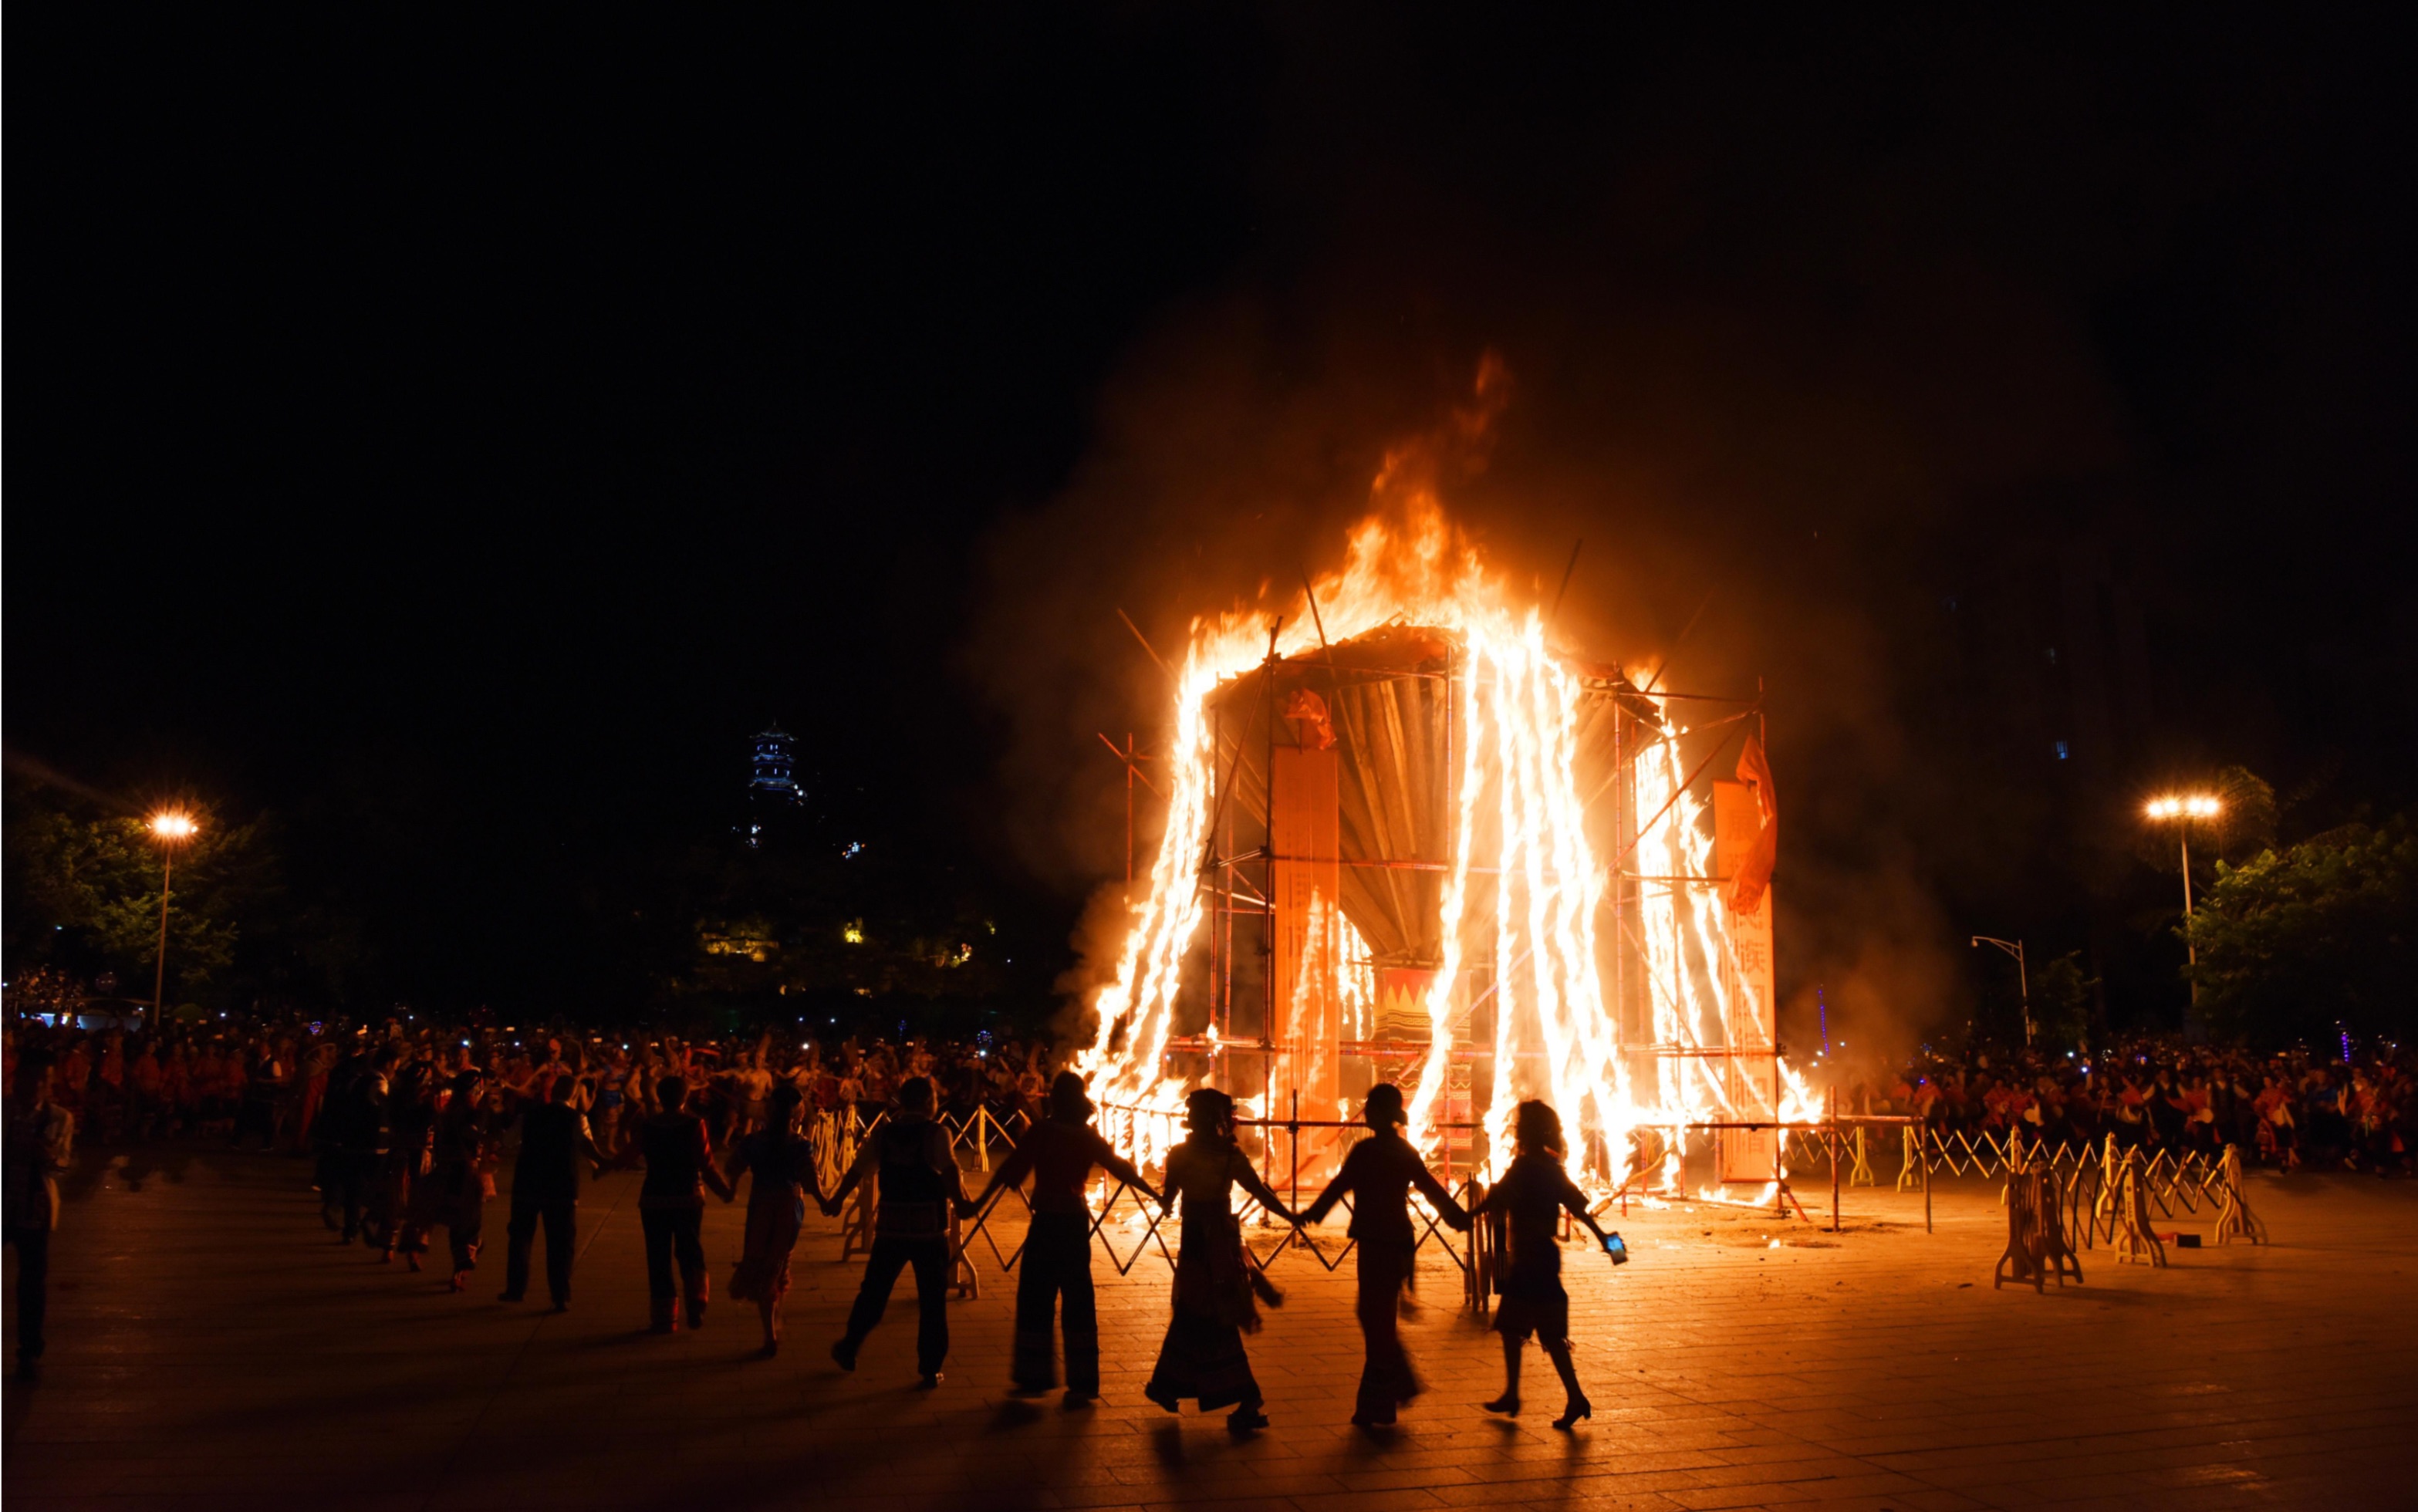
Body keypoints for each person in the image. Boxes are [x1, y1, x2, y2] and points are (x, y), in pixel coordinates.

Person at [963, 1071, 1159, 1404]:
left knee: (1036, 1297)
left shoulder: (1044, 1131)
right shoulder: (1087, 1135)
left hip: (1048, 1223)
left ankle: (1034, 1376)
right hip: (1075, 1223)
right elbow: (1120, 1166)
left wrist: (977, 1205)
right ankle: (1083, 1383)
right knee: (1078, 1298)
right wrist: (1156, 1194)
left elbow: (1011, 1168)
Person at [1300, 1082, 1471, 1426]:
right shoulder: (1404, 1152)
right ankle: (1381, 1403)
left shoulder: (1365, 1152)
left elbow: (1338, 1186)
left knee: (1373, 1316)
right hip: (1398, 1239)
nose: (1366, 1112)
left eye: (1370, 1106)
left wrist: (1310, 1214)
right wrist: (1457, 1218)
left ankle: (1394, 1390)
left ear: (1379, 1113)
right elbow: (1431, 1189)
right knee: (1379, 1317)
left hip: (1376, 1242)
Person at [1143, 1087, 1298, 1433]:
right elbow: (1261, 1192)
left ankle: (1238, 1397)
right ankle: (1171, 1388)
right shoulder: (1231, 1157)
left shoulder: (1180, 1155)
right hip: (1223, 1244)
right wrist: (1290, 1215)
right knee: (1206, 1314)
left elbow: (1168, 1200)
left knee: (1202, 1315)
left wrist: (1162, 1199)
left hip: (1198, 1243)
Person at [1474, 1100, 1619, 1430]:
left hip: (1529, 1259)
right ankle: (1562, 1396)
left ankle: (1541, 1395)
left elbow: (1494, 1201)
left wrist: (1462, 1217)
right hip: (1544, 1257)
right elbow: (1581, 1210)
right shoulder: (1553, 1169)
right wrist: (1608, 1243)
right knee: (1535, 1332)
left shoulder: (1524, 1167)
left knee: (1521, 1329)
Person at [825, 1075, 969, 1386]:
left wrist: (836, 1199)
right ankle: (930, 1368)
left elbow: (858, 1169)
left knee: (874, 1293)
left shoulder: (885, 1133)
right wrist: (962, 1202)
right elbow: (950, 1168)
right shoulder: (937, 1132)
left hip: (890, 1229)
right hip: (929, 1230)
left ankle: (850, 1345)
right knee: (932, 1300)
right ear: (930, 1102)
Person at [723, 1081, 821, 1355]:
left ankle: (770, 1333)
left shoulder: (754, 1142)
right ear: (798, 1115)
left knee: (761, 1262)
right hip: (789, 1209)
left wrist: (730, 1191)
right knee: (779, 1265)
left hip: (761, 1207)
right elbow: (811, 1180)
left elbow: (733, 1167)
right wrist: (826, 1202)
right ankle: (773, 1325)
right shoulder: (801, 1145)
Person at [632, 1074, 734, 1333]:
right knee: (690, 1250)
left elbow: (631, 1153)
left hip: (653, 1197)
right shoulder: (693, 1124)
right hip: (687, 1197)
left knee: (658, 1257)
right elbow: (706, 1164)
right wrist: (724, 1190)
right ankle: (696, 1300)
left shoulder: (648, 1125)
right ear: (685, 1096)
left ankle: (665, 1319)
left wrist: (604, 1164)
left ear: (659, 1097)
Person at [500, 1070, 610, 1311]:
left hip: (527, 1184)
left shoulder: (529, 1115)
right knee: (560, 1243)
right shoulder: (575, 1118)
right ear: (573, 1095)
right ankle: (560, 1296)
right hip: (561, 1186)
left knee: (520, 1239)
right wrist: (602, 1163)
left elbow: (508, 1141)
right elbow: (585, 1144)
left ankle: (515, 1290)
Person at [4, 1051, 75, 1381]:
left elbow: (62, 1163)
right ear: (18, 1079)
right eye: (32, 1079)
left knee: (32, 1285)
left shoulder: (59, 1118)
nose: (37, 1086)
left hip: (34, 1209)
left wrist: (49, 1158)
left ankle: (29, 1352)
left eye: (44, 1081)